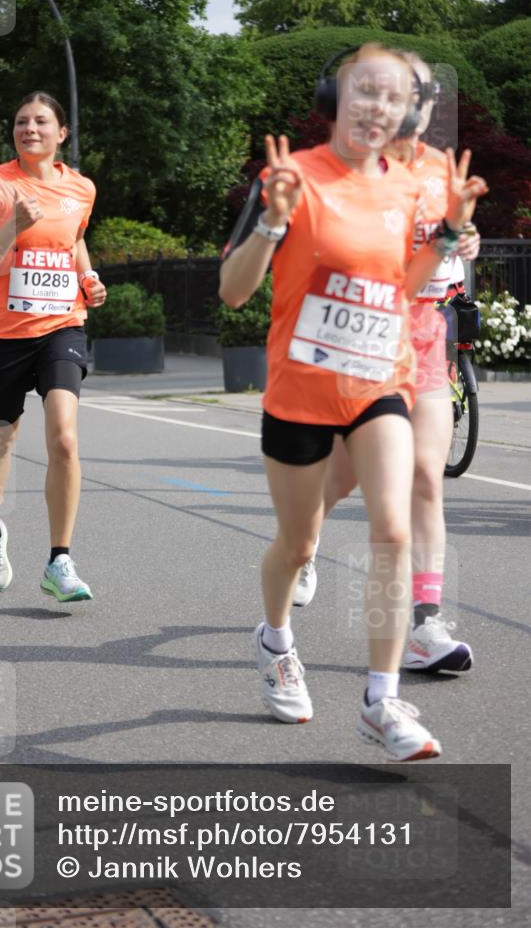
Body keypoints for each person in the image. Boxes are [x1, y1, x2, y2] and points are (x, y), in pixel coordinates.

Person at [220, 44, 487, 761]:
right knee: (297, 543)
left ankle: (380, 697)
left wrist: (451, 233)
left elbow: (402, 288)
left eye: (392, 96)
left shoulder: (409, 187)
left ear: (407, 112)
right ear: (335, 99)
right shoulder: (292, 177)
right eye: (363, 91)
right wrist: (273, 222)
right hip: (299, 392)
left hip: (378, 383)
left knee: (393, 531)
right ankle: (275, 639)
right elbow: (234, 291)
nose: (376, 106)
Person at [297, 53, 480, 675]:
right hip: (370, 337)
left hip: (428, 334)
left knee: (427, 475)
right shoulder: (357, 167)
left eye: (426, 89)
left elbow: (449, 243)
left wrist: (462, 239)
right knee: (342, 477)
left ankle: (426, 625)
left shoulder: (441, 169)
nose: (416, 100)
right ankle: (304, 542)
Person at [0, 91, 107, 601]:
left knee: (64, 437)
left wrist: (88, 276)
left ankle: (59, 561)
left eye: (41, 121)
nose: (30, 129)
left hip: (62, 325)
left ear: (60, 133)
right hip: (1, 334)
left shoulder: (81, 187)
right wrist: (14, 227)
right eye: (21, 121)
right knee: (1, 435)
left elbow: (75, 239)